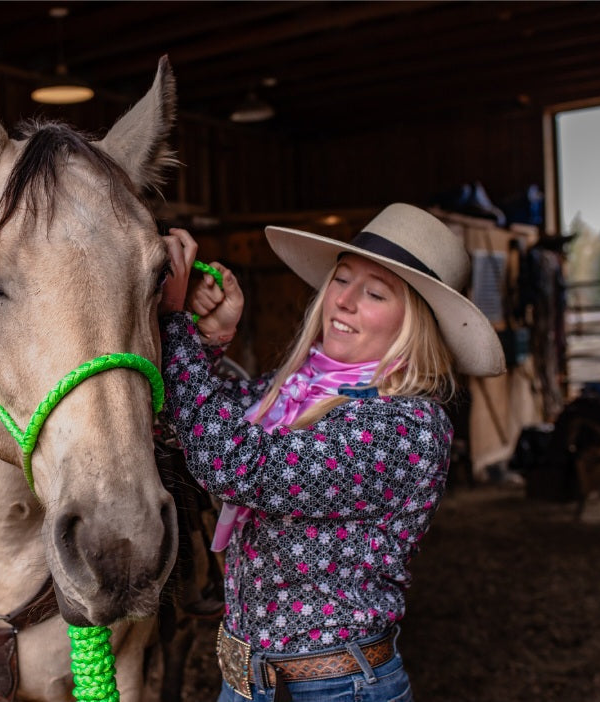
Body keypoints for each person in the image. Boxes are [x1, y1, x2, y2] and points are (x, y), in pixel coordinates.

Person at [157, 203, 505, 702]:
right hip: (252, 682)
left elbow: (233, 463)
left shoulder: (404, 426)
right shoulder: (299, 389)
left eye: (375, 292)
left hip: (334, 688)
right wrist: (211, 336)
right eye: (341, 279)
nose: (344, 300)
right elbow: (184, 423)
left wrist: (173, 322)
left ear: (415, 323)